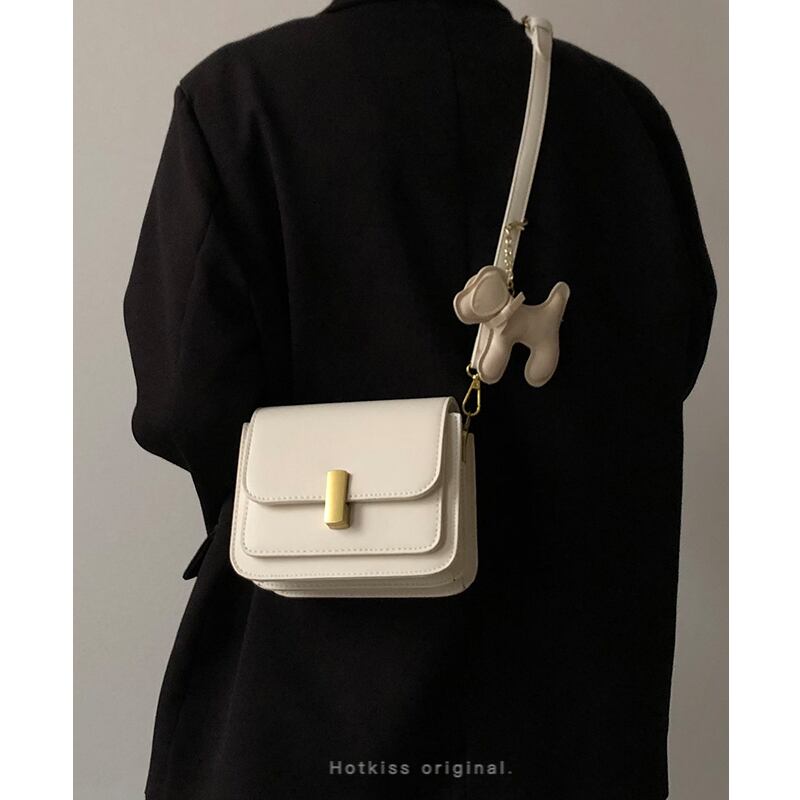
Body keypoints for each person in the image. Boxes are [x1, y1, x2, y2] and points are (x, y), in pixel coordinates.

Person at [124, 1, 716, 798]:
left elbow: (181, 397)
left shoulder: (240, 99)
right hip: (570, 708)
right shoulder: (622, 115)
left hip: (307, 693)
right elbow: (666, 360)